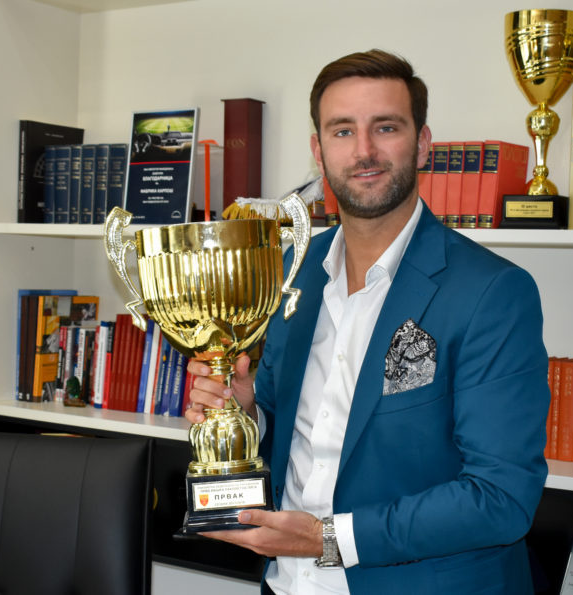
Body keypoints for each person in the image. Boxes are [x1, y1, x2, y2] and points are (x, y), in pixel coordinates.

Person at [184, 49, 550, 594]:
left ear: (422, 143)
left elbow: (501, 499)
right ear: (318, 150)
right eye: (342, 131)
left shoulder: (492, 293)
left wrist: (327, 540)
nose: (364, 151)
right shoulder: (291, 272)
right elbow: (295, 432)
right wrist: (245, 411)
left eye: (386, 127)